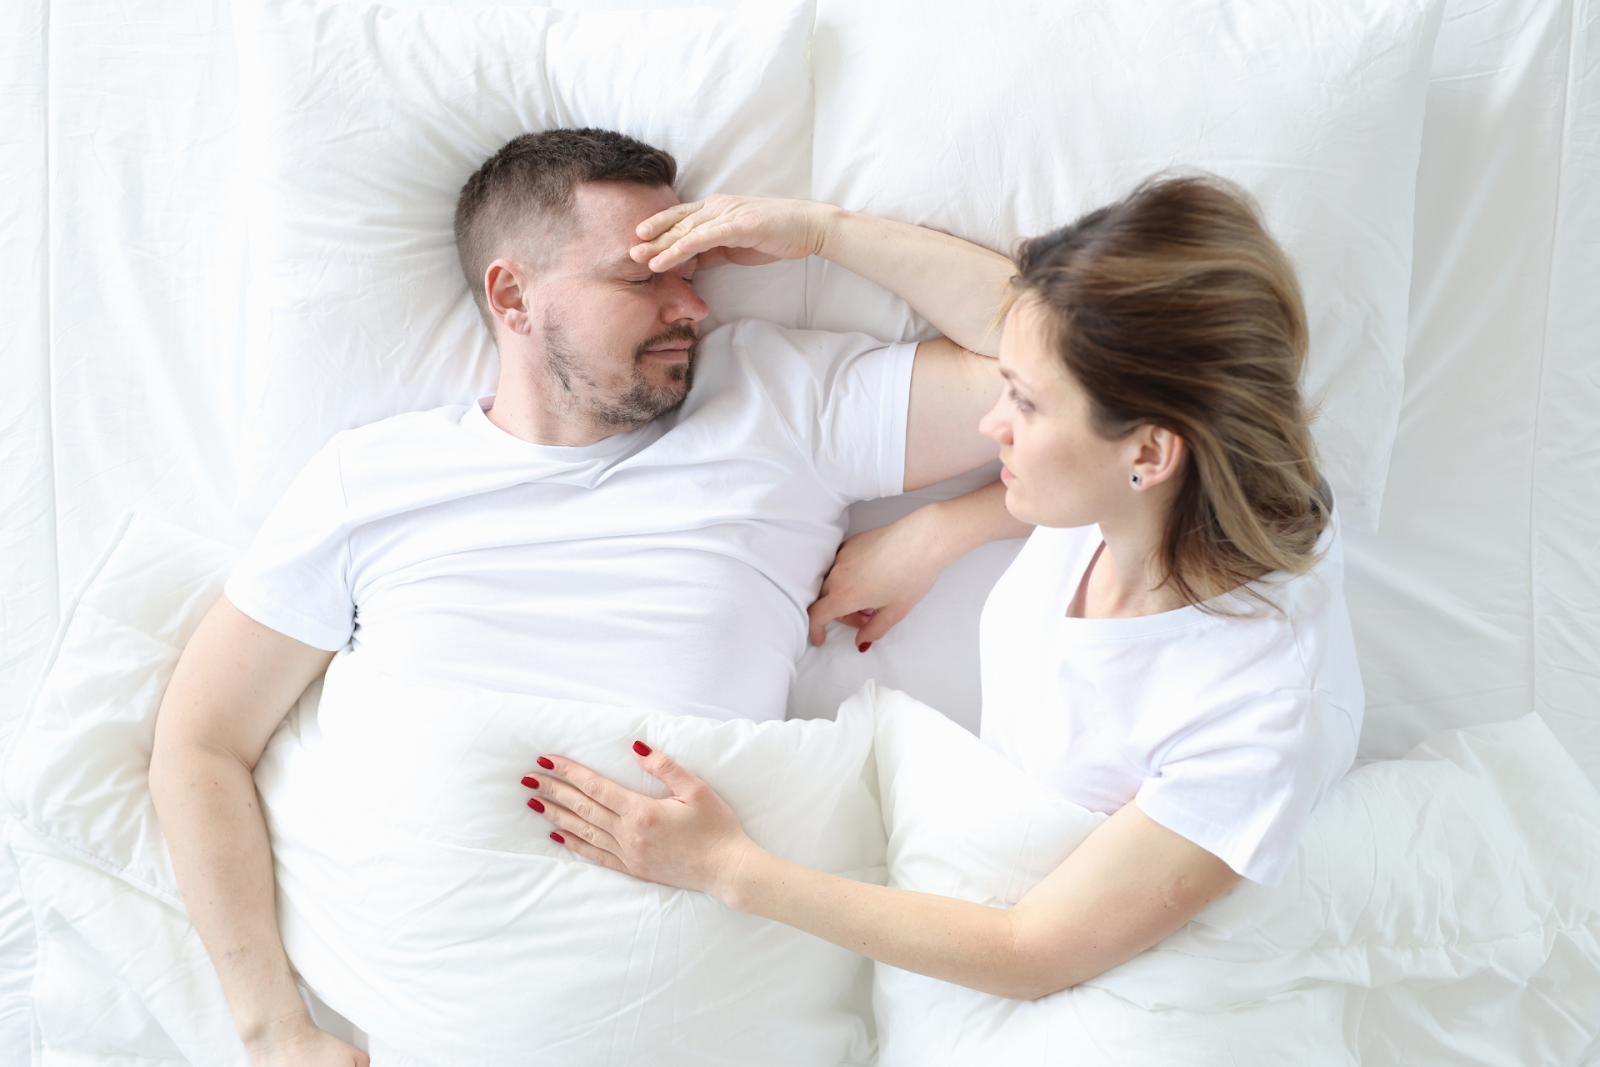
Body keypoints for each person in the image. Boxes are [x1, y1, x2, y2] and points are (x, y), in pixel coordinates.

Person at [148, 128, 1015, 1065]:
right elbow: (200, 744)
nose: (691, 305)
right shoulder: (374, 481)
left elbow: (1074, 367)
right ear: (512, 295)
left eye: (694, 272)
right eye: (641, 279)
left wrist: (828, 236)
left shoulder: (780, 402)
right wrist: (274, 1029)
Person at [524, 174, 1364, 1000]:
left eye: (1025, 406)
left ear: (1147, 454)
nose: (993, 421)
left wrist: (726, 868)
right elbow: (1033, 328)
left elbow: (1030, 950)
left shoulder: (1258, 708)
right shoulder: (1163, 481)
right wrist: (822, 232)